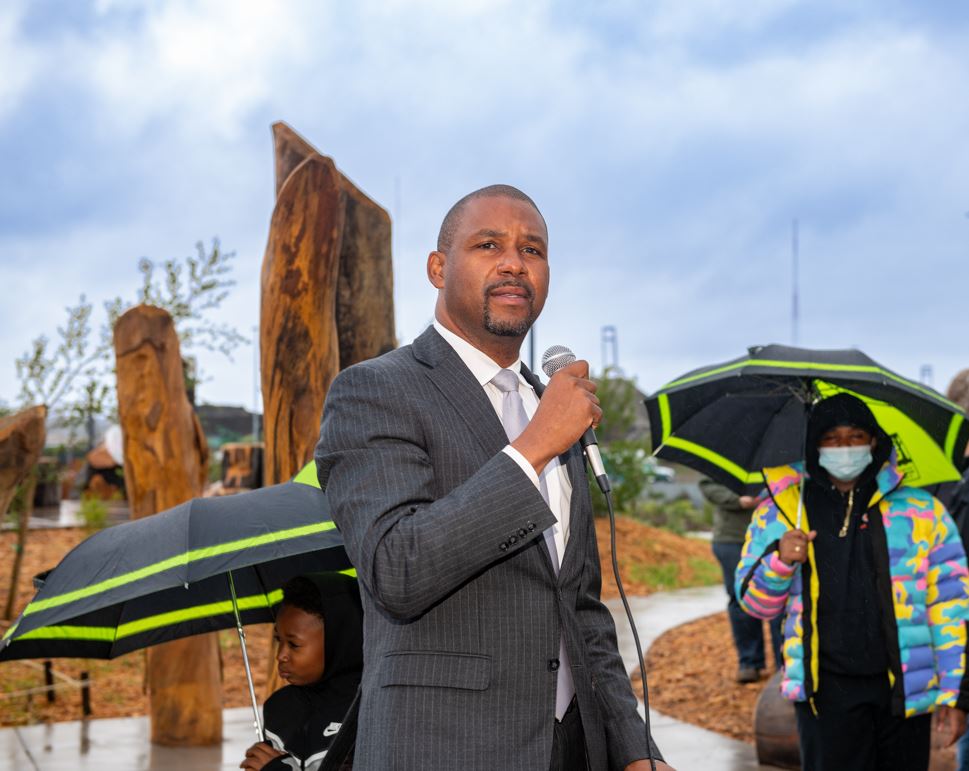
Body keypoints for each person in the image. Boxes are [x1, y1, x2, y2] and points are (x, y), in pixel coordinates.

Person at [314, 185, 673, 771]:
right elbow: (396, 567)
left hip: (571, 750)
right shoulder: (375, 390)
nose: (514, 263)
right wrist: (533, 448)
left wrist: (635, 751)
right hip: (442, 748)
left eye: (532, 250)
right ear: (438, 267)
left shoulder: (551, 405)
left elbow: (579, 607)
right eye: (488, 245)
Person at [734, 393, 969, 771]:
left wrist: (956, 694)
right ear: (814, 445)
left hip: (905, 691)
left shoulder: (922, 511)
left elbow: (952, 606)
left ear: (874, 441)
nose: (845, 448)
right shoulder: (782, 510)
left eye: (856, 436)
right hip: (824, 693)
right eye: (832, 438)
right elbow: (755, 606)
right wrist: (779, 560)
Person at [240, 573, 363, 771]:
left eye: (294, 644)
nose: (281, 656)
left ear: (338, 641)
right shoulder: (279, 708)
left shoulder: (368, 711)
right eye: (278, 640)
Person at [698, 479, 782, 683]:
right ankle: (750, 662)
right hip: (732, 538)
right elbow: (708, 485)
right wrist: (738, 500)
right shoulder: (723, 448)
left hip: (775, 533)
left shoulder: (778, 451)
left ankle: (785, 664)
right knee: (740, 598)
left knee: (779, 596)